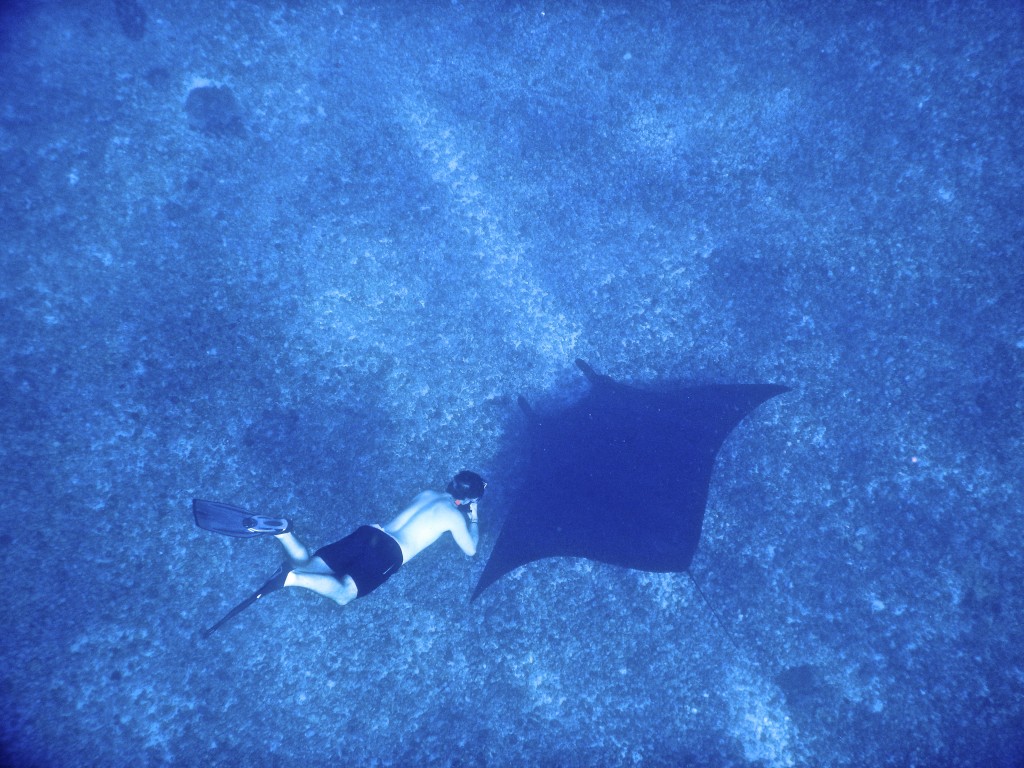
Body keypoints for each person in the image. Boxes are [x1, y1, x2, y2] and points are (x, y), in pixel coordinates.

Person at [258, 471, 485, 606]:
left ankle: (284, 533)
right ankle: (291, 579)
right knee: (344, 594)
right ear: (467, 500)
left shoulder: (427, 493)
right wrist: (473, 517)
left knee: (307, 565)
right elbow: (471, 550)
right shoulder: (454, 516)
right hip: (390, 553)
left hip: (370, 533)